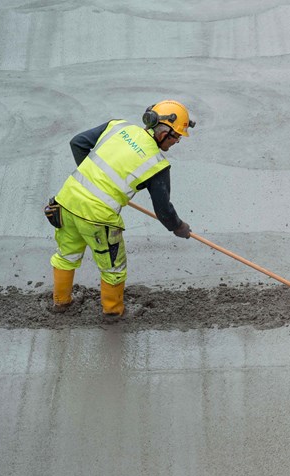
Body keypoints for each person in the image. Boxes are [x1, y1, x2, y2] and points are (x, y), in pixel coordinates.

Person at [44, 100, 195, 317]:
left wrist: (93, 180)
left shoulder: (118, 126)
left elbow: (77, 143)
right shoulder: (157, 164)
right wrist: (179, 227)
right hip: (97, 217)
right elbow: (163, 210)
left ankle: (61, 303)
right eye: (176, 137)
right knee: (113, 268)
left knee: (66, 255)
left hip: (66, 201)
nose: (176, 142)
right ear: (164, 132)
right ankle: (113, 313)